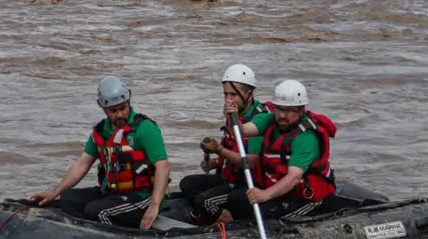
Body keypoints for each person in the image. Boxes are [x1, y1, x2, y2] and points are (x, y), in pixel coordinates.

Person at [30, 76, 170, 230]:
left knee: (97, 212)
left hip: (142, 196)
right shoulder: (101, 132)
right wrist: (54, 192)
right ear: (103, 109)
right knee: (68, 198)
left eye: (123, 108)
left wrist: (154, 205)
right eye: (113, 110)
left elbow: (162, 166)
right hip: (112, 193)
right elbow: (82, 164)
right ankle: (82, 235)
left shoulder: (145, 129)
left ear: (129, 102)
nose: (119, 114)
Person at [225, 79, 344, 221]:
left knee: (266, 213)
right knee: (235, 199)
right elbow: (242, 131)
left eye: (288, 110)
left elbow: (294, 177)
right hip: (282, 194)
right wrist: (232, 116)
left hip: (307, 199)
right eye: (279, 108)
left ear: (301, 110)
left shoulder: (306, 138)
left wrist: (264, 195)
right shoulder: (272, 119)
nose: (282, 115)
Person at [179, 64, 273, 224]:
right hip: (228, 177)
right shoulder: (234, 113)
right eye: (226, 94)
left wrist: (219, 150)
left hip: (246, 183)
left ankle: (231, 224)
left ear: (248, 94)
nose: (228, 100)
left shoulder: (258, 120)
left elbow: (251, 161)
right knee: (187, 184)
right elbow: (232, 149)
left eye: (233, 95)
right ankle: (210, 214)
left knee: (205, 201)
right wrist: (215, 162)